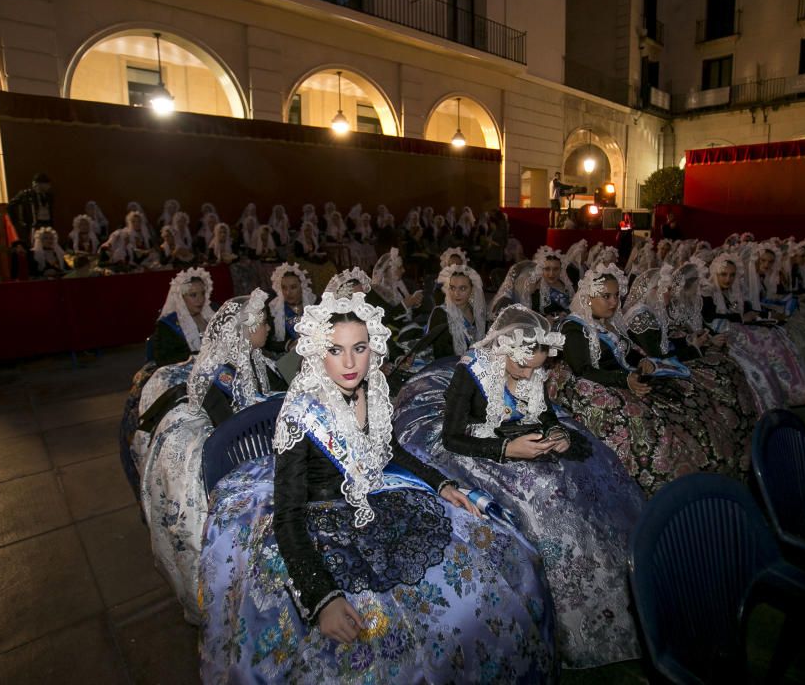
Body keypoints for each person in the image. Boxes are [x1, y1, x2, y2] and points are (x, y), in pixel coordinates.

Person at [199, 292, 557, 683]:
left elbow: (388, 450)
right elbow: (288, 515)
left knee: (497, 551)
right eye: (336, 350)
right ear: (318, 351)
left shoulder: (371, 388)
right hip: (321, 519)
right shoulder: (301, 413)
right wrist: (322, 598)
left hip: (380, 495)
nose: (350, 363)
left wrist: (440, 483)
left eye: (360, 348)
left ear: (374, 348)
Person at [395, 304, 645, 667]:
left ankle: (625, 588)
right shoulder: (473, 372)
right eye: (523, 367)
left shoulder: (532, 369)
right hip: (476, 442)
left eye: (537, 368)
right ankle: (561, 612)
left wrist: (555, 432)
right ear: (505, 349)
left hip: (520, 435)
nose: (530, 374)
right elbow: (451, 437)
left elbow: (543, 413)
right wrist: (504, 449)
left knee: (585, 468)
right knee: (542, 492)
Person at [139, 290, 284, 623]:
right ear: (247, 328)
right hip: (220, 451)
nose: (268, 327)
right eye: (262, 321)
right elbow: (230, 426)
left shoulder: (254, 358)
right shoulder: (221, 374)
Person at [550, 266, 749, 496]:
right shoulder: (574, 327)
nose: (614, 302)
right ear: (588, 297)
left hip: (628, 379)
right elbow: (583, 370)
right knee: (652, 424)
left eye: (616, 296)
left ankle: (710, 471)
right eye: (606, 296)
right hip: (601, 387)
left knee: (687, 400)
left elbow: (626, 352)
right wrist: (626, 379)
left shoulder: (609, 322)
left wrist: (645, 363)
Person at [119, 268, 216, 501]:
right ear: (180, 298)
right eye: (193, 295)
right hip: (181, 374)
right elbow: (166, 360)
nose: (199, 299)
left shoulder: (210, 316)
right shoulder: (169, 325)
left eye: (202, 293)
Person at [701, 253, 805, 414]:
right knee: (765, 341)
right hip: (728, 334)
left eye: (732, 275)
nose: (728, 279)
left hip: (742, 328)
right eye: (723, 274)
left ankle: (794, 389)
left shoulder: (733, 291)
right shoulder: (707, 293)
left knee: (775, 335)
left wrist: (766, 317)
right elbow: (710, 318)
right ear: (714, 274)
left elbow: (748, 310)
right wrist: (740, 318)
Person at [426, 263, 486, 359]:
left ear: (472, 290)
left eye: (462, 288)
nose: (456, 293)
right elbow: (439, 354)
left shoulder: (477, 313)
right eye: (452, 288)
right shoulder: (441, 314)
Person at [267, 262, 316, 353]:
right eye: (284, 288)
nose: (288, 293)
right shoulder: (274, 310)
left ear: (302, 287)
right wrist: (288, 345)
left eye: (293, 287)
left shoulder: (314, 304)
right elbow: (268, 342)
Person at [526, 245, 574, 319]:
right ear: (541, 269)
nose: (551, 274)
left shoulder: (566, 285)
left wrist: (566, 313)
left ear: (561, 269)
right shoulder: (536, 289)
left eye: (556, 269)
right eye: (547, 269)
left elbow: (573, 305)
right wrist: (545, 318)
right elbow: (530, 313)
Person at [7, 172, 53, 246]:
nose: (49, 187)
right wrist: (17, 220)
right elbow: (11, 205)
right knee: (35, 244)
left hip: (47, 223)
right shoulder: (27, 194)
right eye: (47, 184)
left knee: (48, 243)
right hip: (34, 224)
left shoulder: (48, 196)